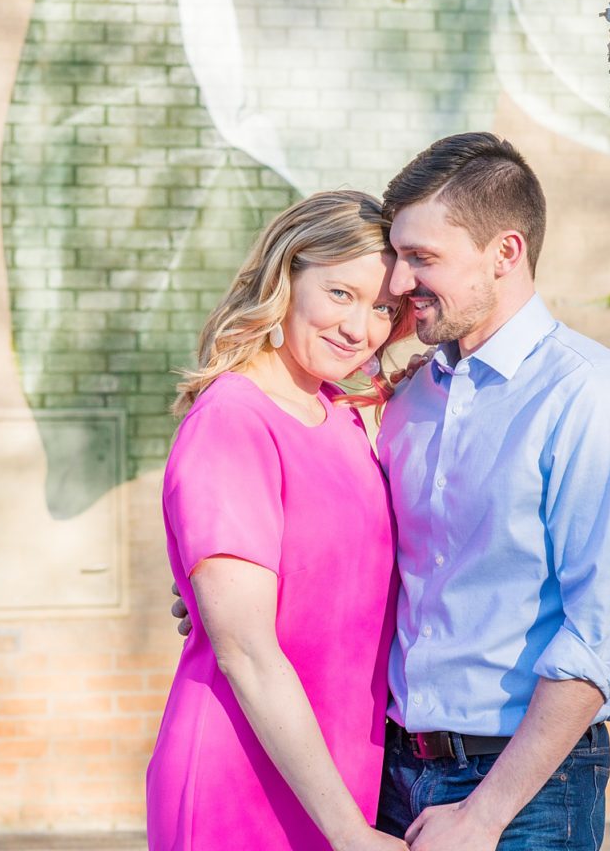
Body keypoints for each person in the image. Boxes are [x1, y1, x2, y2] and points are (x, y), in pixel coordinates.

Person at [376, 131, 610, 851]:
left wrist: (483, 814)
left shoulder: (589, 399)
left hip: (524, 790)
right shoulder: (408, 400)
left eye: (422, 258)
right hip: (389, 769)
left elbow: (604, 631)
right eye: (397, 256)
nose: (398, 282)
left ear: (504, 252)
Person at [146, 190, 414, 851]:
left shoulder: (341, 415)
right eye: (339, 293)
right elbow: (245, 650)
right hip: (239, 781)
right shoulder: (232, 421)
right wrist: (347, 832)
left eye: (383, 307)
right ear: (284, 276)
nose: (361, 328)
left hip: (335, 771)